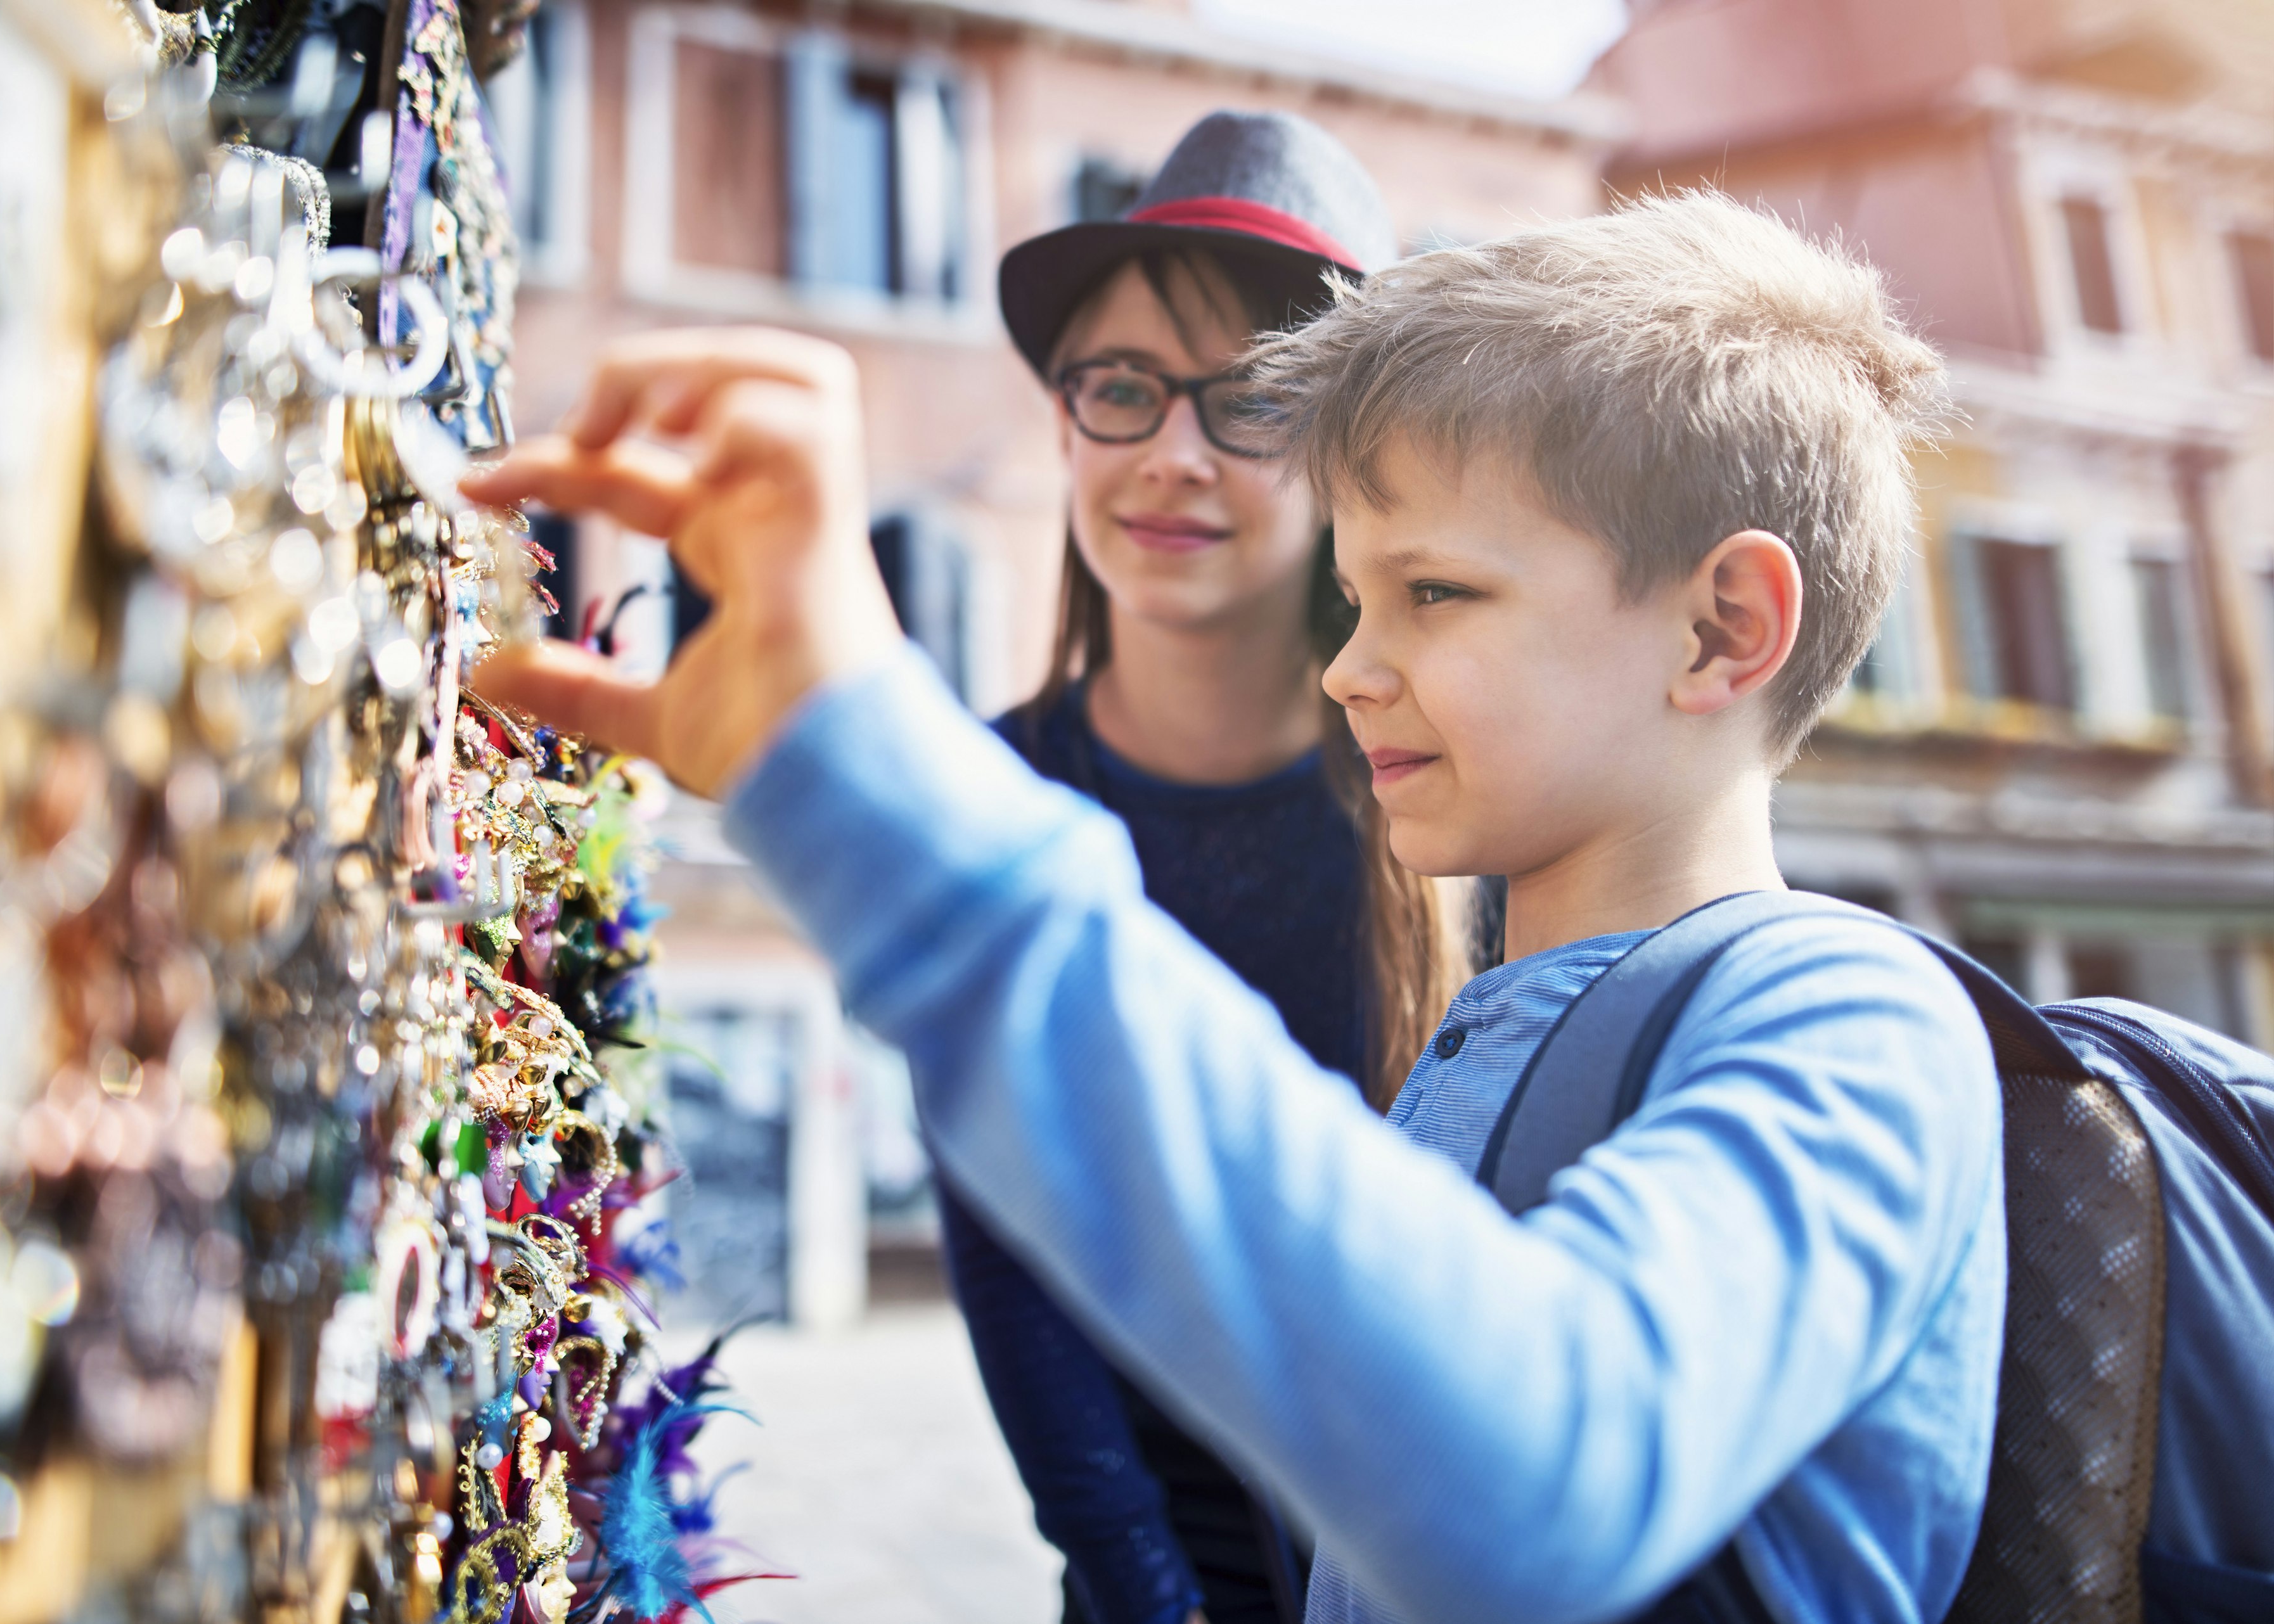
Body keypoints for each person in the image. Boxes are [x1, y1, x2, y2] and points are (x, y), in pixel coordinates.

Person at [463, 191, 1996, 1624]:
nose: (1350, 665)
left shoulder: (1856, 1020)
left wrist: (880, 786)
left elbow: (1544, 1476)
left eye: (1435, 594)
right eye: (1357, 593)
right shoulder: (1499, 1032)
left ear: (1724, 626)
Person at [942, 109, 1456, 1624]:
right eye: (1123, 388)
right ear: (1064, 425)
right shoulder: (990, 795)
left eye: (1251, 402)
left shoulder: (1459, 799)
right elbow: (1017, 1277)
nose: (1172, 453)